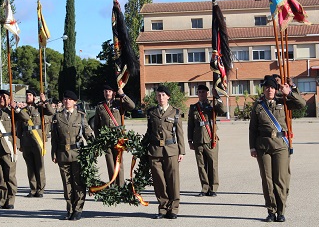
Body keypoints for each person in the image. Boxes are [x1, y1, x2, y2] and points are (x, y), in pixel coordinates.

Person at [249, 75, 305, 223]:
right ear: (264, 89)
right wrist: (252, 147)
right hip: (263, 146)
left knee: (280, 179)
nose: (269, 90)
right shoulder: (259, 105)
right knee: (267, 180)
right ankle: (271, 211)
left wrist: (290, 92)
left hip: (280, 145)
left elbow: (302, 104)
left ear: (276, 89)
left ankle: (281, 211)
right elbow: (252, 128)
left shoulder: (284, 102)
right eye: (267, 87)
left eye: (272, 87)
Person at [143, 85, 185, 219]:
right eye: (158, 95)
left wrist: (181, 151)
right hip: (155, 151)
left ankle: (173, 208)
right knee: (159, 181)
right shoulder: (151, 112)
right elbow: (149, 132)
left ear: (168, 97)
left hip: (171, 150)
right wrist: (140, 147)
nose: (160, 98)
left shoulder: (175, 112)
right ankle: (162, 208)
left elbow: (180, 134)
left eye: (163, 95)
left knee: (173, 180)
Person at [51, 90, 94, 221]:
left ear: (75, 102)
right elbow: (54, 138)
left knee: (78, 183)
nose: (66, 101)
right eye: (65, 99)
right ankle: (69, 209)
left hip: (77, 154)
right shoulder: (57, 117)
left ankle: (78, 209)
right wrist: (54, 153)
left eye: (70, 99)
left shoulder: (80, 116)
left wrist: (94, 145)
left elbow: (87, 133)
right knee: (67, 183)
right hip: (62, 153)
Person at [0, 90, 28, 210]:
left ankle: (10, 199)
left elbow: (26, 118)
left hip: (8, 146)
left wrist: (16, 108)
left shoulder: (12, 112)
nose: (1, 99)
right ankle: (2, 199)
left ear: (9, 99)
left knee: (10, 175)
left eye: (4, 97)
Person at [187, 84, 226, 197]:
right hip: (198, 140)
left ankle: (213, 188)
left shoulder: (212, 104)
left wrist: (217, 97)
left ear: (207, 93)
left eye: (203, 92)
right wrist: (190, 140)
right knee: (201, 165)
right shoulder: (193, 107)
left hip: (210, 139)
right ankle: (204, 188)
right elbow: (190, 125)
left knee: (213, 164)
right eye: (199, 92)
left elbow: (222, 110)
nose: (201, 94)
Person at [93, 84, 135, 187]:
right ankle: (113, 185)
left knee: (118, 162)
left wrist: (123, 95)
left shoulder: (119, 103)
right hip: (106, 140)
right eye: (106, 91)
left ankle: (120, 186)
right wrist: (99, 140)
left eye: (110, 91)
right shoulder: (100, 106)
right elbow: (96, 125)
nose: (107, 93)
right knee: (110, 163)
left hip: (118, 139)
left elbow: (132, 106)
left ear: (113, 93)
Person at [17, 89, 55, 198]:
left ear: (34, 97)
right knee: (30, 166)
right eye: (27, 95)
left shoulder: (40, 108)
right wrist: (19, 143)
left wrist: (45, 101)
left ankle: (40, 188)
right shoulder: (22, 110)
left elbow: (51, 112)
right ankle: (33, 189)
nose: (28, 97)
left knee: (39, 165)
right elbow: (19, 128)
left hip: (37, 139)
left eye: (30, 95)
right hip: (26, 140)